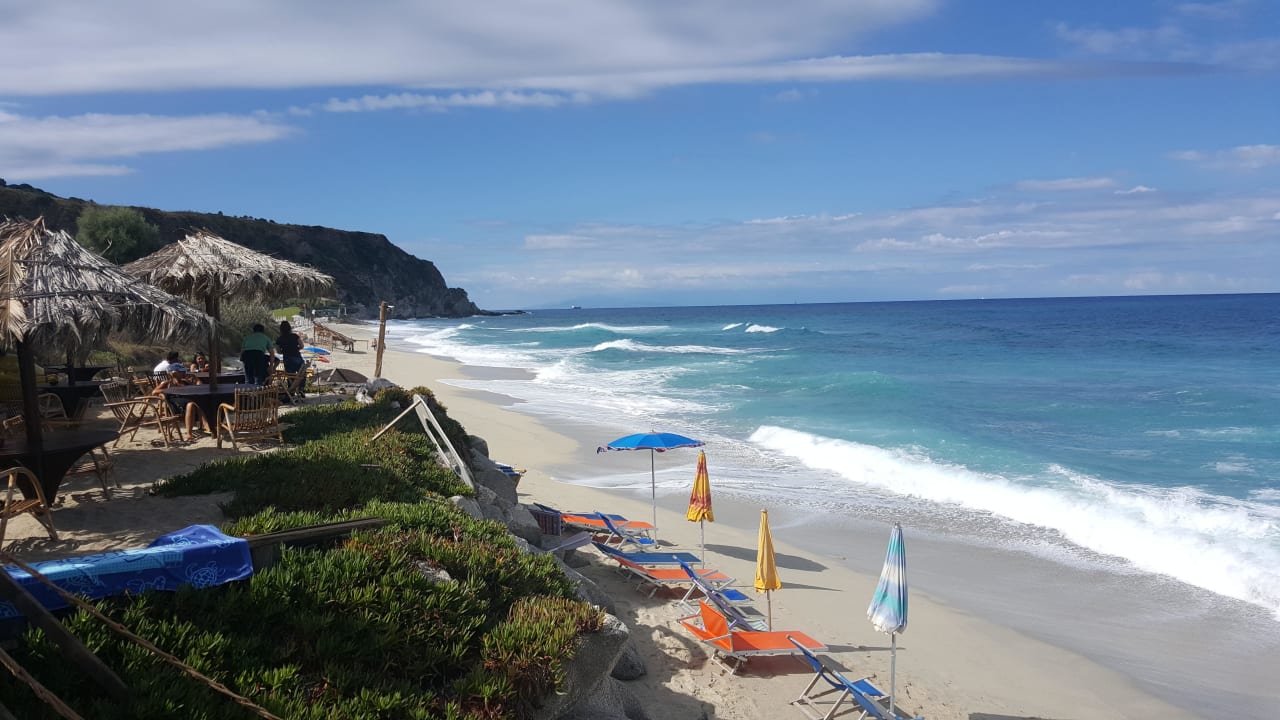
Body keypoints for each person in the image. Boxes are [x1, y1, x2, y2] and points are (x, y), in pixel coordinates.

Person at [149, 367, 208, 437]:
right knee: (192, 404)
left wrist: (196, 379)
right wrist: (169, 390)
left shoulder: (185, 382)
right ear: (174, 373)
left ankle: (206, 426)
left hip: (186, 403)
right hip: (174, 405)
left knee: (199, 402)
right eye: (181, 372)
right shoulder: (167, 383)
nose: (184, 373)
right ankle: (190, 433)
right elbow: (154, 392)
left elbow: (198, 387)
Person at [276, 320, 305, 395]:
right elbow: (302, 346)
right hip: (297, 357)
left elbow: (278, 351)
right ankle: (301, 389)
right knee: (301, 374)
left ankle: (291, 392)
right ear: (289, 328)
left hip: (287, 359)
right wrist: (296, 349)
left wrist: (285, 351)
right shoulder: (295, 336)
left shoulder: (279, 339)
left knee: (290, 376)